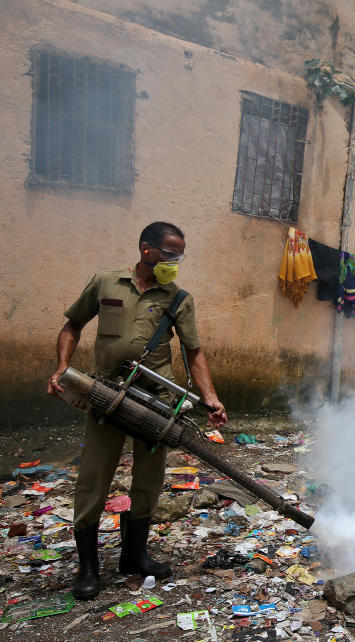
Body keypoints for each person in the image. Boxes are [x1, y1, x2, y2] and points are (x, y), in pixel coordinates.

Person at [46, 221, 227, 600]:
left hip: (156, 401)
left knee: (148, 480)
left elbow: (194, 352)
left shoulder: (178, 298)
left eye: (180, 255)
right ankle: (88, 569)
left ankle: (135, 556)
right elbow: (72, 325)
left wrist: (210, 397)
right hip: (106, 394)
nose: (175, 261)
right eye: (169, 253)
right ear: (147, 250)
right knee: (94, 477)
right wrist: (62, 367)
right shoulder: (105, 283)